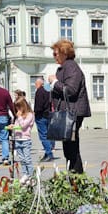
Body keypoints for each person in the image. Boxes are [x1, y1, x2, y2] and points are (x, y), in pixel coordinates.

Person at [48, 39, 91, 174]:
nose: (54, 56)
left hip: (72, 112)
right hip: (68, 111)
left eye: (55, 54)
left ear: (64, 53)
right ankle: (74, 176)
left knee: (71, 148)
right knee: (69, 147)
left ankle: (77, 177)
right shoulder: (64, 67)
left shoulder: (71, 67)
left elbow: (71, 90)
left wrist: (54, 82)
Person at [9, 96, 35, 182]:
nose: (17, 109)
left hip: (25, 139)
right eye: (16, 107)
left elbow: (23, 126)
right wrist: (13, 126)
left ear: (23, 106)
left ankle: (31, 175)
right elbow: (18, 126)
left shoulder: (30, 115)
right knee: (22, 159)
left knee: (27, 159)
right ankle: (25, 174)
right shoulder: (18, 117)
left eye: (19, 107)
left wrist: (19, 117)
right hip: (18, 139)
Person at [33, 77, 55, 161]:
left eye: (36, 83)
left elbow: (39, 105)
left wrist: (35, 112)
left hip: (41, 116)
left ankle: (49, 153)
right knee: (47, 135)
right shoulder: (48, 91)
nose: (35, 85)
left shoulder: (39, 91)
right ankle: (47, 153)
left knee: (43, 136)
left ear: (40, 83)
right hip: (48, 114)